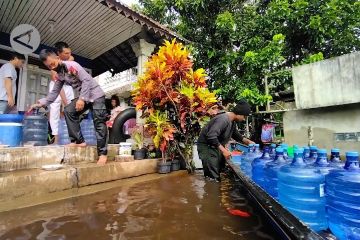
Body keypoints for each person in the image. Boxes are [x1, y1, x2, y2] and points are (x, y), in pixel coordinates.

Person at [30, 49, 108, 165]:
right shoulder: (60, 75)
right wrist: (41, 103)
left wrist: (81, 99)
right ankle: (79, 140)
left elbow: (86, 80)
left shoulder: (72, 66)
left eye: (53, 64)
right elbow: (55, 92)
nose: (52, 67)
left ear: (57, 58)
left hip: (96, 96)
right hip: (85, 97)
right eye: (49, 66)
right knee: (68, 110)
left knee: (99, 123)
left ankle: (103, 154)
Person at [197, 100, 255, 181]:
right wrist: (224, 150)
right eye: (244, 116)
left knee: (220, 169)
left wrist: (247, 141)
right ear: (239, 113)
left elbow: (236, 135)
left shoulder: (232, 122)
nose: (244, 119)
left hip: (215, 146)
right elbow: (211, 136)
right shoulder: (223, 119)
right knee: (213, 177)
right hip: (207, 147)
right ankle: (211, 189)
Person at [49, 41, 75, 144]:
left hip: (68, 87)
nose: (69, 55)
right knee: (54, 110)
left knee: (72, 111)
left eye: (69, 53)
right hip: (56, 87)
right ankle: (56, 139)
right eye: (66, 53)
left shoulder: (69, 59)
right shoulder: (53, 63)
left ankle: (73, 138)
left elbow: (71, 58)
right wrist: (65, 102)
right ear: (59, 53)